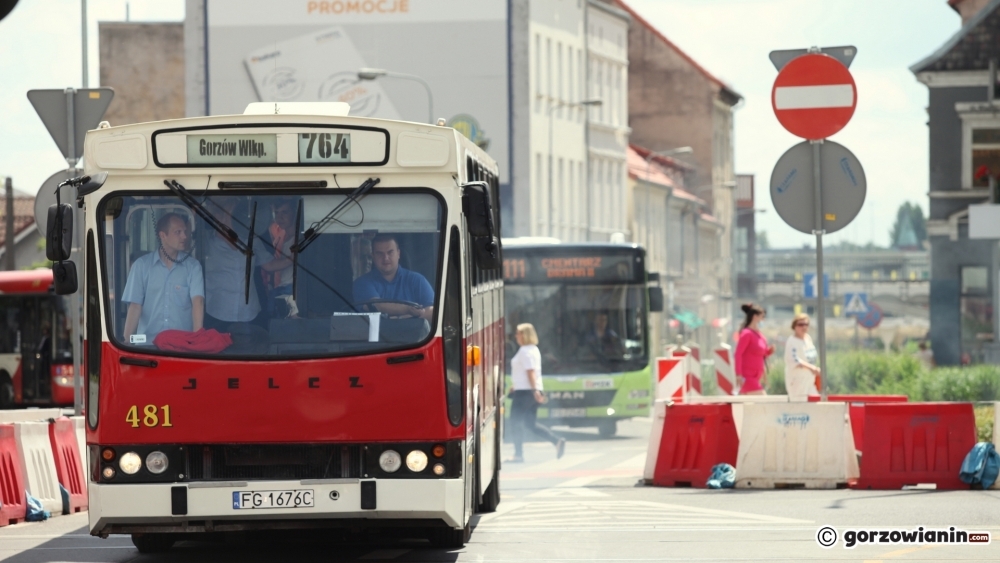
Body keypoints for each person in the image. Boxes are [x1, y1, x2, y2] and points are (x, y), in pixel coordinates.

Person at [203, 196, 285, 331]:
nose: (239, 217)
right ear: (220, 216)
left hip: (249, 314)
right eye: (234, 213)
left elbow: (269, 265)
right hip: (216, 313)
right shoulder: (206, 240)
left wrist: (294, 259)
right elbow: (186, 240)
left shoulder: (252, 239)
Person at [122, 213, 205, 342]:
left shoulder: (193, 267)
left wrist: (197, 340)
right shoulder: (141, 266)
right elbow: (135, 306)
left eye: (184, 231)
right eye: (178, 232)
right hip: (149, 346)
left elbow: (198, 302)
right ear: (162, 235)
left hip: (182, 345)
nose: (184, 236)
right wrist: (126, 342)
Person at [508, 323, 565, 463]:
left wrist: (533, 391)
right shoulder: (533, 349)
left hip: (526, 392)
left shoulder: (525, 351)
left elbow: (530, 372)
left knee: (515, 421)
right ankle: (556, 441)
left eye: (518, 333)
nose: (516, 336)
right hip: (528, 390)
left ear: (525, 335)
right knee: (530, 424)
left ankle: (518, 454)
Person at [353, 233, 434, 320]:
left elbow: (433, 310)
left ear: (398, 253)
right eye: (380, 254)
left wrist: (404, 318)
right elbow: (376, 305)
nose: (386, 258)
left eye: (390, 252)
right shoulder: (362, 283)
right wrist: (409, 310)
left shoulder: (418, 280)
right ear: (373, 256)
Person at [264, 199, 297, 317]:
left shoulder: (300, 239)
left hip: (293, 289)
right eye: (277, 213)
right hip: (279, 288)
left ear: (294, 212)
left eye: (285, 212)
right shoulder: (279, 238)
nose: (280, 217)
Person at [734, 303, 774, 395]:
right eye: (762, 317)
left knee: (749, 407)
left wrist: (769, 351)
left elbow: (759, 352)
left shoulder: (759, 334)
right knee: (763, 401)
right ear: (755, 317)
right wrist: (738, 374)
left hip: (757, 377)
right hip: (747, 377)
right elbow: (738, 354)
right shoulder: (747, 333)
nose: (764, 320)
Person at [784, 313, 820, 401]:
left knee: (816, 403)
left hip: (809, 381)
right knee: (799, 409)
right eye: (800, 325)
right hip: (797, 381)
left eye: (806, 324)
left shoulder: (808, 338)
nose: (804, 327)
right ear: (794, 326)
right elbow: (794, 361)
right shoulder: (792, 341)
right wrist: (811, 368)